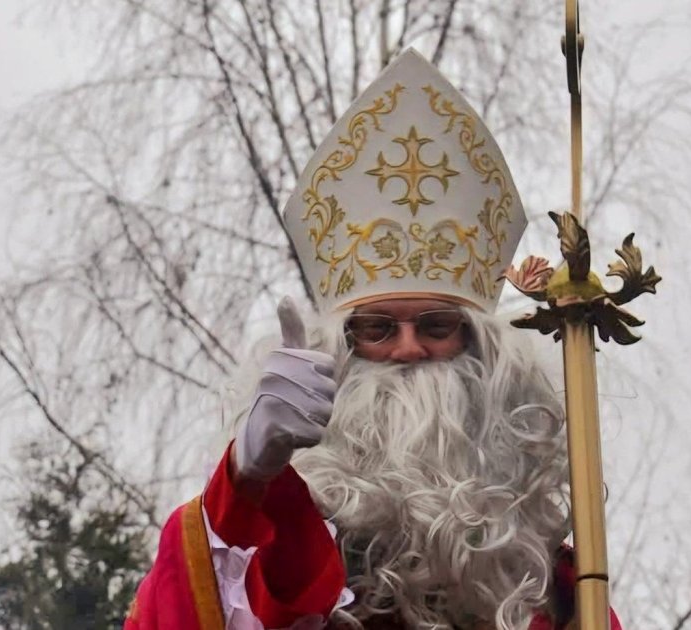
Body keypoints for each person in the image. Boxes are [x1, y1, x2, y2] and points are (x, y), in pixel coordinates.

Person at [125, 49, 621, 630]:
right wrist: (247, 478)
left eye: (437, 327)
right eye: (376, 329)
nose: (408, 349)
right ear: (339, 351)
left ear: (488, 358)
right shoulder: (282, 554)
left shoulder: (559, 595)